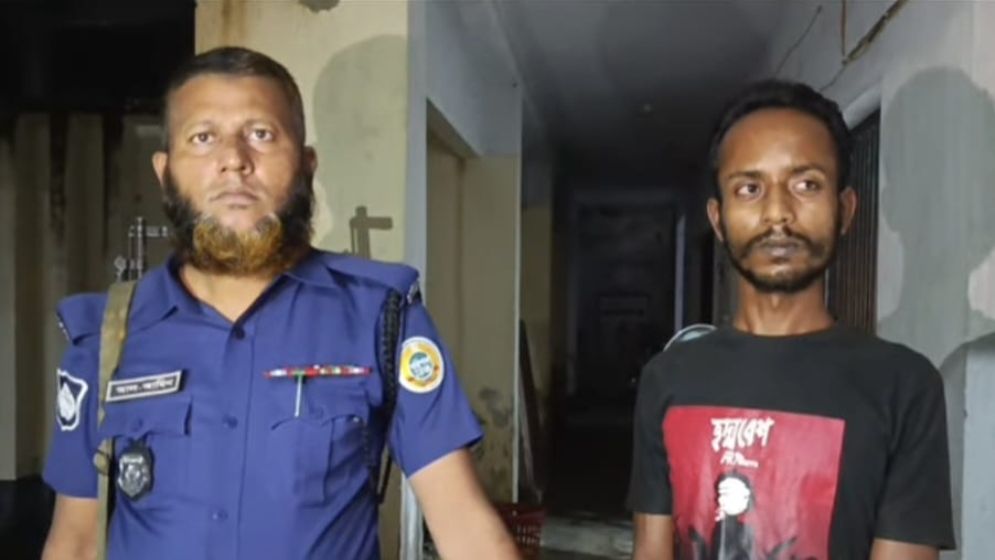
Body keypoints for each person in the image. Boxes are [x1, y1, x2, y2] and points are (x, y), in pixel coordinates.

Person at [41, 46, 520, 560]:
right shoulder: (105, 337)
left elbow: (465, 529)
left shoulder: (380, 318)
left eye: (261, 134)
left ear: (307, 166)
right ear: (165, 172)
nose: (233, 160)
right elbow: (76, 541)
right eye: (203, 138)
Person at [629, 80, 955, 560]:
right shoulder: (668, 378)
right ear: (718, 220)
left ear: (845, 210)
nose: (777, 214)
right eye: (750, 189)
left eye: (806, 185)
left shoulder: (904, 386)